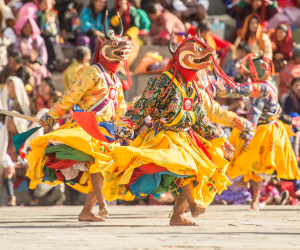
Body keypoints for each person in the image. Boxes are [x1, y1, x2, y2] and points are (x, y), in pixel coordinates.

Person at [103, 35, 237, 226]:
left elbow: (200, 118)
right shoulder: (162, 81)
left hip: (187, 138)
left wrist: (220, 138)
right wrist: (124, 127)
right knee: (186, 166)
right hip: (165, 136)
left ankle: (177, 215)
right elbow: (142, 106)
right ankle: (193, 204)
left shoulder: (192, 87)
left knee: (204, 166)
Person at [25, 18, 133, 221]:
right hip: (87, 127)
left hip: (106, 131)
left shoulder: (116, 81)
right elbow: (70, 97)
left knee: (107, 168)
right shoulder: (91, 72)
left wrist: (123, 125)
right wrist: (52, 115)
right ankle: (102, 204)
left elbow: (120, 108)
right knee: (97, 162)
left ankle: (86, 211)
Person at [213, 53, 300, 211]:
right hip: (268, 127)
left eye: (250, 70)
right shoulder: (269, 83)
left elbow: (251, 106)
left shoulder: (262, 87)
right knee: (252, 165)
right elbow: (242, 90)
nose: (247, 73)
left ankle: (252, 198)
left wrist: (216, 87)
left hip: (262, 130)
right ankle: (251, 196)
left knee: (251, 163)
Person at [0, 115, 35, 206]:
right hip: (7, 164)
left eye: (11, 122)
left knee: (30, 168)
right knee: (9, 171)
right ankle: (11, 198)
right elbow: (2, 153)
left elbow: (25, 152)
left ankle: (32, 198)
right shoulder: (4, 134)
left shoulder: (22, 135)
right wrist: (9, 164)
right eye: (7, 121)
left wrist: (26, 162)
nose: (8, 124)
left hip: (20, 164)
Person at [13, 16, 49, 87]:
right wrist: (27, 64)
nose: (27, 29)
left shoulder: (38, 40)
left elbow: (43, 54)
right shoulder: (18, 40)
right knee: (27, 72)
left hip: (37, 64)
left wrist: (38, 64)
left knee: (42, 71)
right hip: (24, 64)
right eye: (25, 27)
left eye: (29, 27)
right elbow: (16, 55)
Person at [36, 0, 60, 71]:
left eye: (48, 3)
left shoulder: (53, 14)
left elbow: (57, 25)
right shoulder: (38, 15)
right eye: (44, 3)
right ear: (40, 4)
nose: (47, 5)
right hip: (42, 36)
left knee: (52, 49)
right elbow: (36, 25)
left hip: (52, 36)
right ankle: (45, 64)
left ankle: (52, 64)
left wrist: (57, 35)